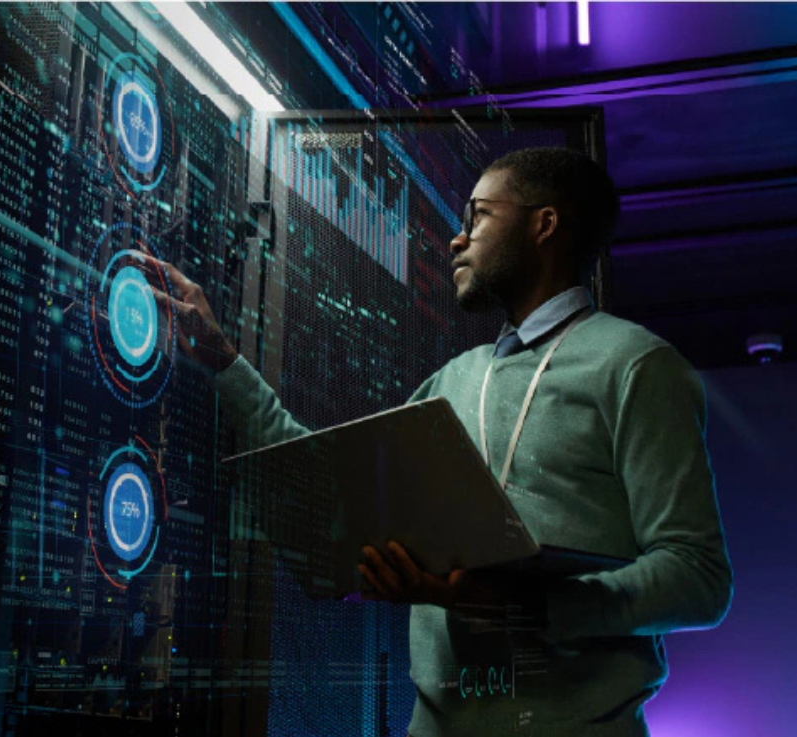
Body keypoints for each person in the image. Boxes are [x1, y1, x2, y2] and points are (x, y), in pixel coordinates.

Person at [145, 147, 733, 736]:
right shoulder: (451, 381)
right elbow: (326, 495)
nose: (456, 240)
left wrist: (526, 608)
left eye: (477, 216)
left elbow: (698, 577)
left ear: (544, 224)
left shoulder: (637, 366)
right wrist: (222, 360)